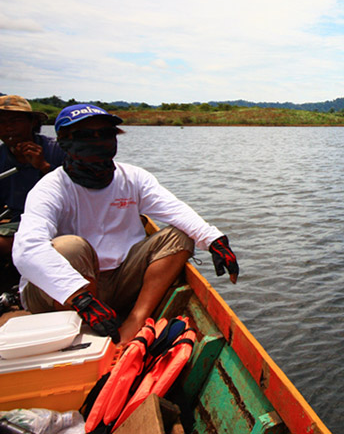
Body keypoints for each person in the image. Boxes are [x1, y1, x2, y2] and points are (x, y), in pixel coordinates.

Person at [13, 104, 239, 344]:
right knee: (71, 247)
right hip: (65, 294)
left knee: (180, 236)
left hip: (117, 281)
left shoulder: (133, 178)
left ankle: (135, 319)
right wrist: (80, 297)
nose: (98, 141)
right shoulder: (51, 188)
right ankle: (85, 333)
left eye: (106, 134)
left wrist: (215, 241)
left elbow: (175, 210)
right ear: (65, 142)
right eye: (85, 136)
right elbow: (27, 249)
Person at [0, 96, 65, 291]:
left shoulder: (57, 150)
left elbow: (77, 191)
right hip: (17, 222)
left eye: (15, 121)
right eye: (2, 123)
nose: (8, 128)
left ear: (33, 123)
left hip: (59, 221)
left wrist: (43, 166)